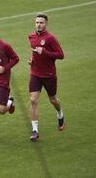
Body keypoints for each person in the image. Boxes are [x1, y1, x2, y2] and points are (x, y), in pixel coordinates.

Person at [28, 13, 64, 141]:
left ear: (46, 24)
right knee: (33, 100)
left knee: (53, 100)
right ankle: (35, 130)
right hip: (35, 74)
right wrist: (32, 60)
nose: (39, 24)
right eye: (37, 22)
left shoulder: (50, 38)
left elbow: (60, 55)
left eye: (41, 22)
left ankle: (60, 114)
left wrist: (45, 52)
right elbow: (34, 52)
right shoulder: (31, 36)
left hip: (49, 75)